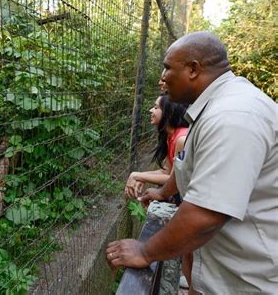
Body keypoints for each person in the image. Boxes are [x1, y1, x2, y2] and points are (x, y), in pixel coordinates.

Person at [106, 31, 277, 294]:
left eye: (167, 68)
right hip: (223, 267)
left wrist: (146, 251)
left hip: (249, 280)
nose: (162, 77)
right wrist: (164, 192)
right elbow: (191, 162)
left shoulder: (233, 117)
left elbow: (205, 215)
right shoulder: (215, 106)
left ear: (193, 69)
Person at [124, 93, 189, 199]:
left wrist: (137, 176)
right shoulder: (170, 136)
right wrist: (141, 176)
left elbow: (175, 180)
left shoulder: (181, 139)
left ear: (170, 113)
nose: (151, 110)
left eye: (156, 107)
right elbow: (167, 172)